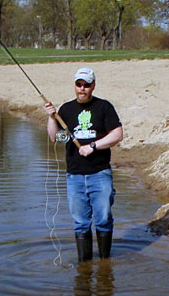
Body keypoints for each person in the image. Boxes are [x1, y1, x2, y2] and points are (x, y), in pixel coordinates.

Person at [44, 67, 123, 262]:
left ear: (93, 86)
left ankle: (105, 262)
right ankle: (84, 265)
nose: (82, 88)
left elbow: (117, 134)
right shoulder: (67, 109)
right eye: (79, 84)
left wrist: (93, 146)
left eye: (86, 85)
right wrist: (51, 117)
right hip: (75, 176)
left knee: (103, 219)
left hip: (100, 173)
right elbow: (55, 137)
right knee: (80, 223)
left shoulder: (104, 107)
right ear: (75, 86)